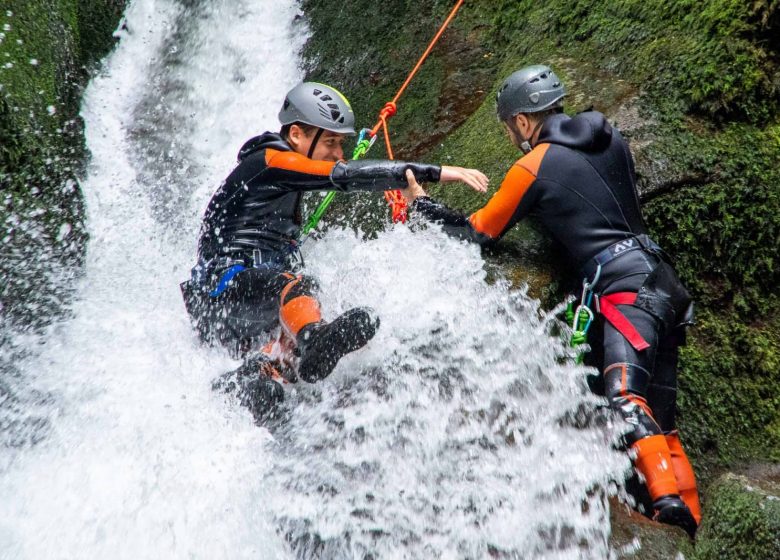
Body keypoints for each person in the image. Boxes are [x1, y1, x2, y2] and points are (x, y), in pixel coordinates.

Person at [400, 65, 702, 537]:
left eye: (507, 127)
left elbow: (479, 231)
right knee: (661, 420)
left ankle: (666, 504)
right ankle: (691, 528)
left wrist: (419, 205)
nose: (509, 136)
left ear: (522, 121)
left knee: (624, 398)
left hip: (623, 291)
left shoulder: (533, 166)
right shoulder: (610, 134)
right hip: (663, 282)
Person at [181, 81, 488, 420]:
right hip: (220, 290)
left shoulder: (279, 180)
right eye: (330, 141)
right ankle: (312, 338)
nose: (338, 153)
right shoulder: (269, 161)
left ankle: (252, 381)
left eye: (339, 144)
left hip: (233, 311)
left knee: (278, 353)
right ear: (296, 134)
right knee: (295, 284)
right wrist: (431, 172)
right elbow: (341, 176)